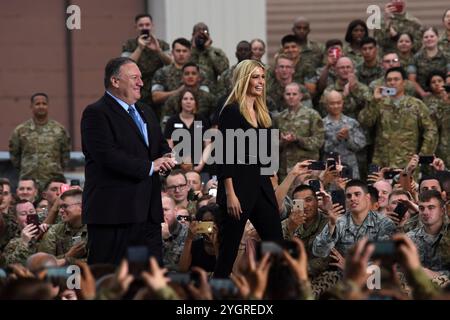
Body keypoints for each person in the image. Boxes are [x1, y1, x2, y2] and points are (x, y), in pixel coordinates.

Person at [80, 57, 176, 265]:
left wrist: (167, 157)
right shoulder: (96, 113)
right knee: (109, 282)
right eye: (135, 78)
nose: (141, 83)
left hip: (148, 216)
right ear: (115, 81)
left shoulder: (146, 111)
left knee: (150, 281)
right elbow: (107, 156)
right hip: (113, 216)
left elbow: (159, 146)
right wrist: (151, 166)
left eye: (141, 78)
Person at [214, 59, 283, 278]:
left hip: (261, 189)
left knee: (277, 249)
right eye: (255, 76)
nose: (261, 81)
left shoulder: (263, 114)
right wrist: (230, 194)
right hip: (238, 190)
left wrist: (273, 184)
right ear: (244, 79)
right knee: (228, 253)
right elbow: (225, 155)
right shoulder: (231, 112)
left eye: (262, 76)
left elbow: (266, 159)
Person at [9, 93, 71, 190]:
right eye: (37, 104)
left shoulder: (59, 130)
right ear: (31, 106)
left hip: (54, 181)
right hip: (28, 182)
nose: (41, 106)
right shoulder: (21, 130)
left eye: (44, 103)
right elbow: (14, 156)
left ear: (48, 106)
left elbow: (65, 155)